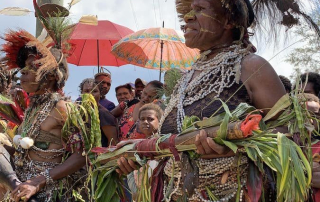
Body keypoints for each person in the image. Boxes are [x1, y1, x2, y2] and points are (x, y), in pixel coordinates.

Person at [116, 0, 293, 201]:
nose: (188, 17)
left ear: (228, 20)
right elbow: (174, 141)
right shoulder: (186, 78)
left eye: (199, 9)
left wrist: (235, 148)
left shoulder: (252, 67)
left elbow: (288, 135)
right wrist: (141, 149)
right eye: (189, 10)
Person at [0, 29, 89, 202]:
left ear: (50, 77)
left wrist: (38, 182)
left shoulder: (63, 108)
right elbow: (25, 153)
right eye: (23, 67)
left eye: (32, 67)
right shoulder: (32, 108)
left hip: (49, 194)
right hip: (22, 188)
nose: (23, 72)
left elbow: (82, 156)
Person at [79, 78, 119, 147]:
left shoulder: (104, 114)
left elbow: (113, 143)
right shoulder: (78, 113)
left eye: (94, 91)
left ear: (100, 94)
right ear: (81, 94)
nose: (90, 94)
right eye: (86, 91)